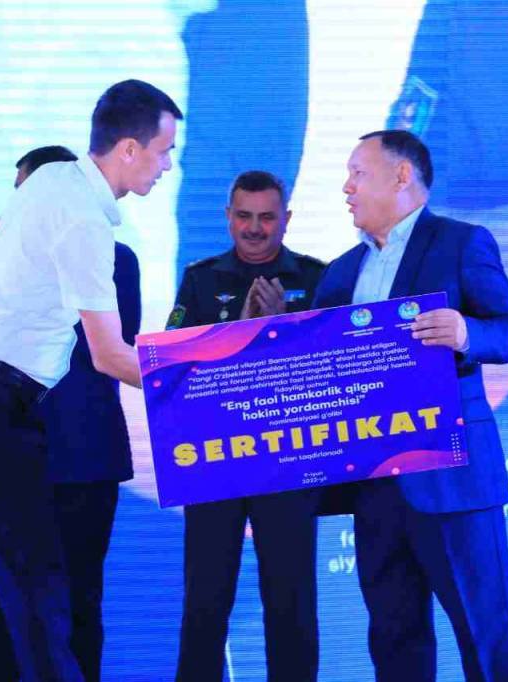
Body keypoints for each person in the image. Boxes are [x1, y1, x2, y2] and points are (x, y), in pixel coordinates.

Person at [0, 79, 182, 682]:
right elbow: (110, 356)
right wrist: (193, 381)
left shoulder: (53, 180)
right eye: (164, 151)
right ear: (129, 149)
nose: (167, 166)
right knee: (36, 585)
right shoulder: (84, 220)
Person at [312, 130, 508, 681]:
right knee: (395, 642)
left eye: (358, 173)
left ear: (401, 175)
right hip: (374, 487)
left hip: (454, 478)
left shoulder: (461, 243)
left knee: (485, 635)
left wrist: (465, 332)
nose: (346, 187)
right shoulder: (338, 274)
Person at [0, 145, 143, 682]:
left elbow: (108, 351)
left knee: (77, 601)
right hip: (8, 452)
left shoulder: (113, 257)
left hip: (82, 459)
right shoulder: (5, 259)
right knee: (1, 599)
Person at [168, 170, 326, 682]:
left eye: (266, 217)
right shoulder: (200, 279)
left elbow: (335, 372)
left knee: (291, 600)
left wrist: (285, 328)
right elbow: (170, 369)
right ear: (227, 217)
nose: (254, 228)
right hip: (215, 462)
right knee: (205, 601)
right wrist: (237, 328)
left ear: (286, 219)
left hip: (288, 461)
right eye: (243, 216)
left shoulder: (317, 277)